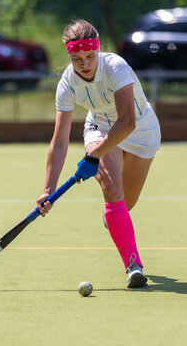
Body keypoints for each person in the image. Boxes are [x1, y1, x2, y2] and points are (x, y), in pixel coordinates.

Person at [35, 20, 161, 288]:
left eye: (90, 56)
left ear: (99, 49)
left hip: (141, 130)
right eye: (76, 58)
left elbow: (127, 122)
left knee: (126, 204)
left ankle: (113, 216)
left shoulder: (115, 66)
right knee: (113, 192)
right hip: (100, 126)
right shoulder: (67, 84)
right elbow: (59, 142)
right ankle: (133, 265)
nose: (85, 64)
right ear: (69, 55)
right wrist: (48, 188)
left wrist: (92, 158)